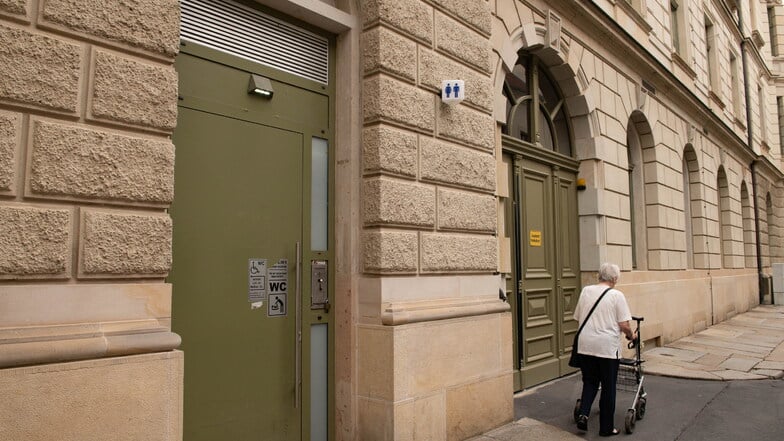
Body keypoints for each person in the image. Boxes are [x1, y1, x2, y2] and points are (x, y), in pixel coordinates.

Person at [573, 262, 636, 437]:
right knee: (608, 387)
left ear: (599, 275)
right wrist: (632, 335)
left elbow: (578, 317)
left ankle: (583, 414)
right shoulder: (617, 295)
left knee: (590, 382)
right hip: (606, 348)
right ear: (615, 279)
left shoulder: (586, 291)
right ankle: (606, 428)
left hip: (585, 345)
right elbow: (624, 324)